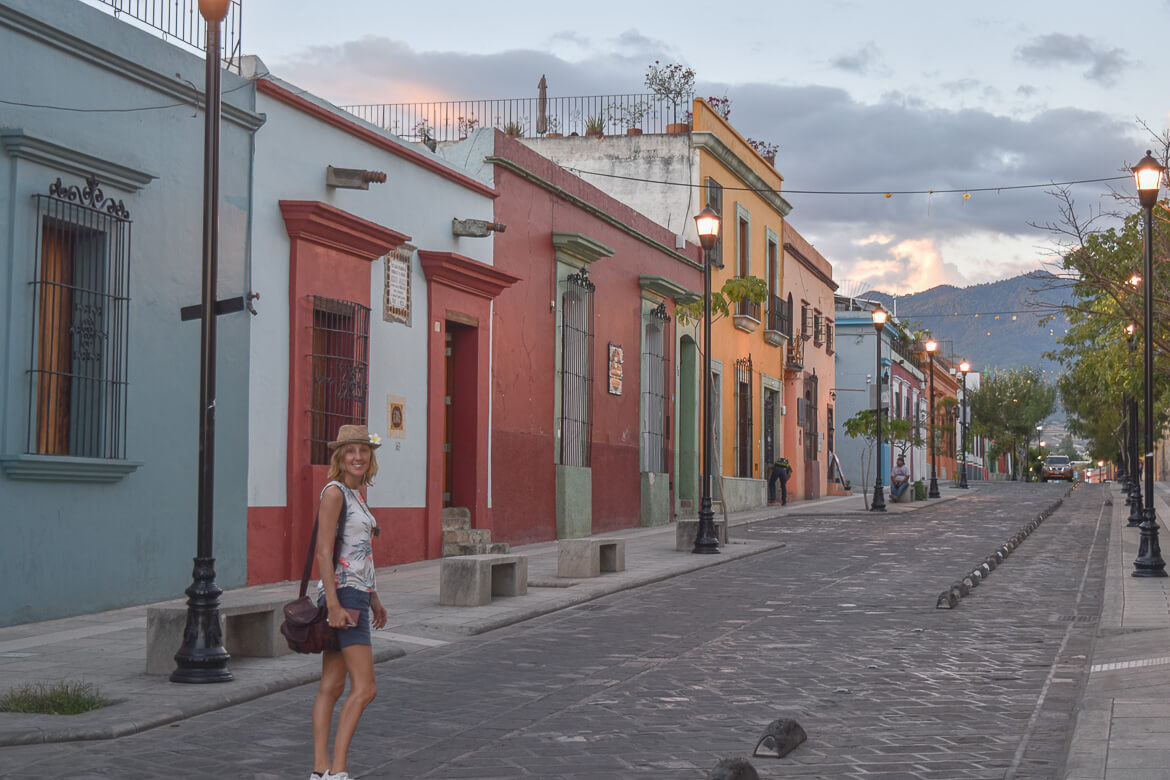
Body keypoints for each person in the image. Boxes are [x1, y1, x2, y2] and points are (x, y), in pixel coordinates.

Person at [311, 424, 388, 780]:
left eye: (364, 451)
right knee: (365, 688)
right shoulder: (335, 493)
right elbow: (324, 553)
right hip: (343, 597)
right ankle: (337, 771)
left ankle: (320, 771)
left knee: (332, 686)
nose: (358, 457)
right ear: (339, 457)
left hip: (356, 594)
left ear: (370, 457)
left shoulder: (357, 494)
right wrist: (335, 604)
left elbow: (357, 555)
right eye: (350, 451)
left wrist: (374, 598)